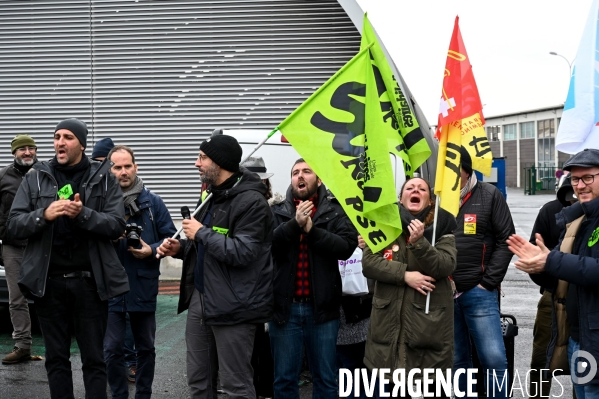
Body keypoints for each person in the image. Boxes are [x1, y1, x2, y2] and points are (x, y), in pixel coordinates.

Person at [7, 118, 129, 399]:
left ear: (82, 144)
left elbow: (116, 226)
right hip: (48, 284)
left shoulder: (103, 176)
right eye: (56, 137)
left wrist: (83, 214)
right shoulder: (36, 176)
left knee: (95, 360)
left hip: (90, 284)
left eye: (68, 137)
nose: (60, 142)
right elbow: (13, 225)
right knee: (56, 359)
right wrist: (44, 215)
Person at [156, 134, 273, 399]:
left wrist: (201, 234)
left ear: (220, 163)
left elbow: (244, 252)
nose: (196, 164)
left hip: (235, 306)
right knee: (199, 381)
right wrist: (182, 249)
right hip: (201, 299)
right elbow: (206, 249)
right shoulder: (210, 196)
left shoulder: (252, 202)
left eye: (202, 158)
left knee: (235, 386)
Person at [507, 148, 599, 398]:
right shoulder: (575, 216)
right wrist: (538, 265)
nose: (580, 185)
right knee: (548, 368)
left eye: (588, 177)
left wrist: (550, 260)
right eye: (576, 179)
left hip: (593, 335)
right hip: (576, 330)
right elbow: (552, 264)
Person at [269, 158, 357, 399]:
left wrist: (312, 230)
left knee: (326, 379)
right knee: (285, 380)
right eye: (295, 172)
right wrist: (295, 225)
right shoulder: (276, 210)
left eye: (307, 171)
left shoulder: (334, 209)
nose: (300, 176)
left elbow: (346, 246)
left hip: (323, 310)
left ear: (318, 179)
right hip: (285, 310)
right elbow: (267, 246)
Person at [362, 177, 457, 394]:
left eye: (422, 189)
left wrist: (419, 243)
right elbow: (369, 263)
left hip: (427, 331)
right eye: (410, 188)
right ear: (401, 198)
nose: (415, 191)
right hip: (389, 330)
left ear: (430, 200)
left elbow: (445, 265)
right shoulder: (385, 225)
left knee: (431, 389)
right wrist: (405, 275)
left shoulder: (441, 226)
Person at [104, 145, 176, 399]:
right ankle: (119, 395)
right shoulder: (102, 203)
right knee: (111, 349)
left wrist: (152, 249)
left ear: (136, 167)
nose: (123, 172)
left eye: (127, 166)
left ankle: (143, 395)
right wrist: (109, 238)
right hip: (111, 287)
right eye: (117, 167)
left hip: (143, 285)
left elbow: (173, 239)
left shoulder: (153, 203)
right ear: (109, 169)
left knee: (146, 348)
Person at [452, 147, 515, 398]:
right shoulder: (436, 198)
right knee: (457, 360)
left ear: (465, 171)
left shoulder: (489, 195)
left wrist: (488, 283)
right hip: (444, 293)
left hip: (479, 291)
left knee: (494, 359)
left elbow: (507, 240)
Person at [528, 174, 576, 398]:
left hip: (587, 300)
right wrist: (552, 285)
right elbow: (533, 255)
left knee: (584, 362)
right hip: (551, 297)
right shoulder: (550, 210)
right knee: (541, 359)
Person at [0, 135, 38, 365]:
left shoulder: (46, 174)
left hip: (41, 245)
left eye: (31, 148)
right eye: (22, 149)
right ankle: (23, 345)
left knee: (49, 295)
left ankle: (56, 346)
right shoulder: (3, 177)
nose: (27, 152)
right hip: (13, 246)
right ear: (14, 152)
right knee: (16, 299)